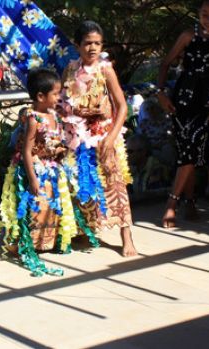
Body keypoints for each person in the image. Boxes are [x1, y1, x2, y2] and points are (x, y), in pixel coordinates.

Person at [157, 0, 209, 228]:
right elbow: (165, 64)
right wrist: (161, 92)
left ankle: (171, 204)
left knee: (193, 143)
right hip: (182, 97)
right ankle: (191, 202)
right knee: (187, 149)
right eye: (205, 14)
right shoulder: (187, 35)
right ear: (198, 14)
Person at [61, 20, 138, 257]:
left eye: (97, 43)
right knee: (82, 182)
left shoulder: (106, 70)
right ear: (77, 45)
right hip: (77, 137)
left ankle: (127, 237)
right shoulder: (70, 70)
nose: (92, 48)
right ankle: (86, 229)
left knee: (115, 183)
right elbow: (63, 104)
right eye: (87, 43)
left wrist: (111, 136)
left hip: (104, 136)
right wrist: (72, 114)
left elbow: (122, 106)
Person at [0, 68, 77, 276]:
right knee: (35, 206)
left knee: (51, 205)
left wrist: (61, 151)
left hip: (50, 168)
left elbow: (54, 142)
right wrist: (32, 178)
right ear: (41, 96)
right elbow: (26, 150)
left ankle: (46, 242)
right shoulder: (33, 119)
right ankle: (26, 242)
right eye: (56, 93)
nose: (59, 97)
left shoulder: (54, 116)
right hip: (33, 168)